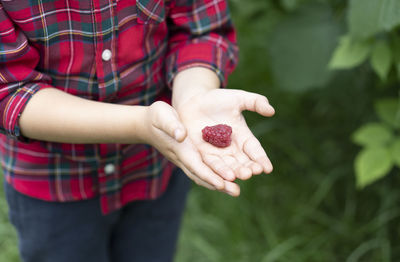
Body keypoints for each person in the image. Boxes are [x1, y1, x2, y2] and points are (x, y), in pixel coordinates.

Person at [0, 0, 274, 261]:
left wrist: (194, 95)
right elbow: (10, 91)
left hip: (153, 168)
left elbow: (200, 31)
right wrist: (139, 125)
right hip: (54, 185)